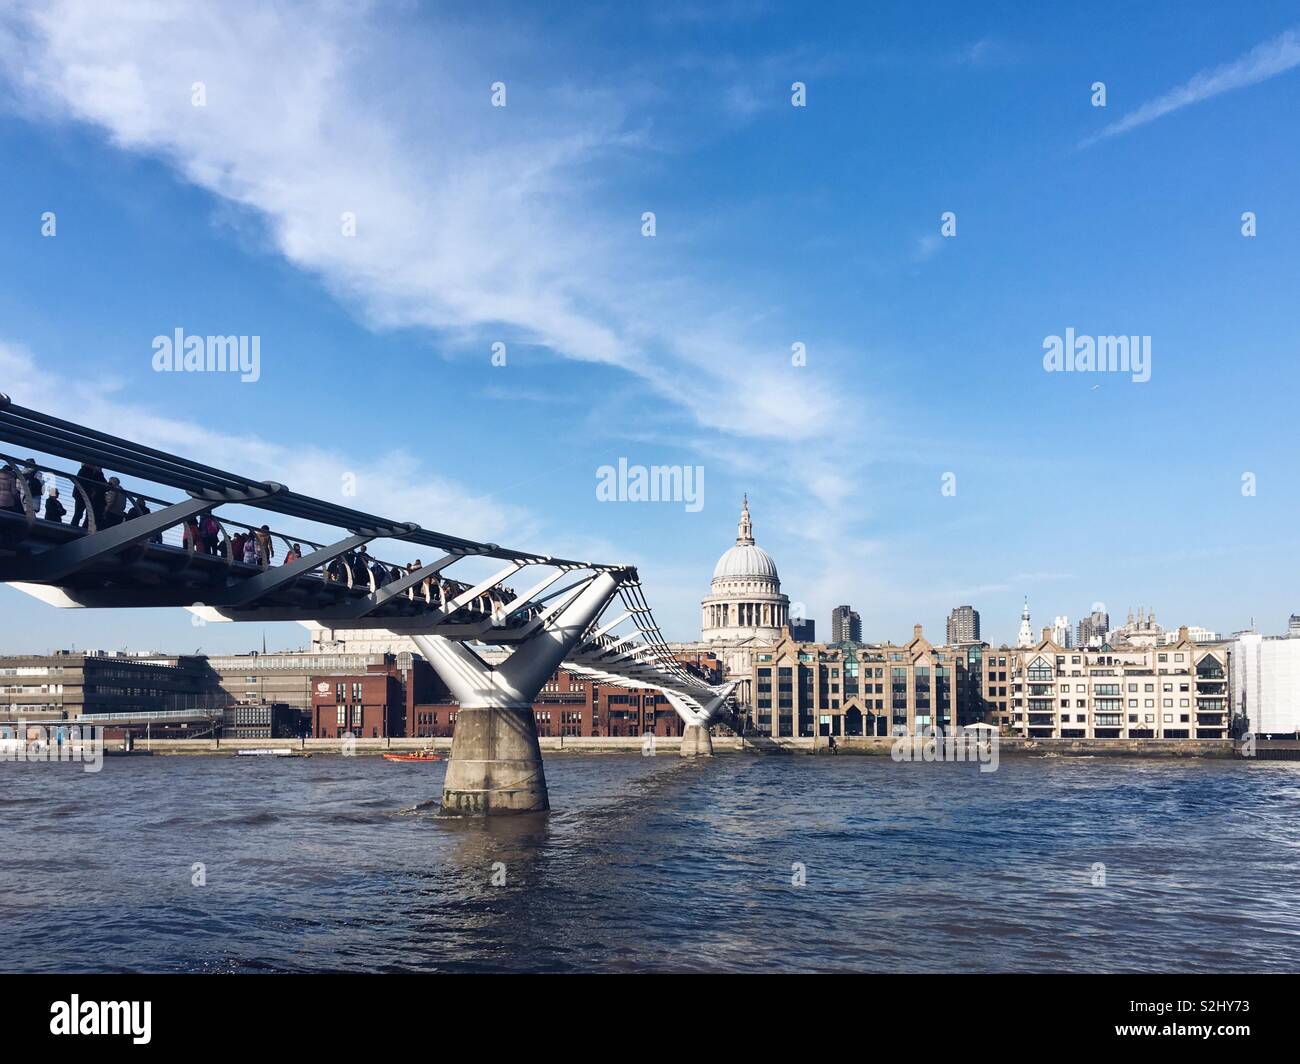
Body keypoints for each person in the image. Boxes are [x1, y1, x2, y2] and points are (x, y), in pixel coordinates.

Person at [71, 463, 106, 528]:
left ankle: (77, 526)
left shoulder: (92, 472)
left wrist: (99, 473)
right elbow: (100, 482)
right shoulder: (85, 471)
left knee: (84, 513)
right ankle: (74, 526)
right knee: (80, 512)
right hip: (82, 495)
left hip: (85, 495)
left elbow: (103, 483)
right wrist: (99, 473)